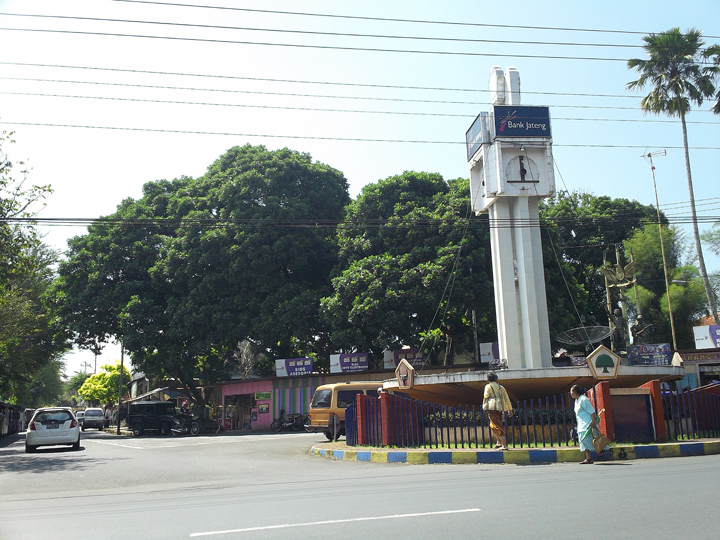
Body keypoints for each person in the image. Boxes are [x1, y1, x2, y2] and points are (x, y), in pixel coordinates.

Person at [570, 385, 608, 464]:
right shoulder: (577, 401)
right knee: (582, 441)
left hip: (588, 424)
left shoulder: (583, 400)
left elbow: (592, 411)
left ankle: (600, 451)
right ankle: (589, 458)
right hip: (581, 424)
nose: (571, 394)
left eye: (572, 392)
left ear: (576, 392)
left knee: (589, 440)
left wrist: (593, 422)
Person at [483, 372, 513, 451]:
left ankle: (504, 445)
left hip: (492, 408)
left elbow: (486, 396)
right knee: (494, 425)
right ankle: (498, 442)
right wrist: (510, 409)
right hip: (500, 408)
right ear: (496, 379)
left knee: (497, 426)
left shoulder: (488, 386)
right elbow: (506, 398)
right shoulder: (501, 387)